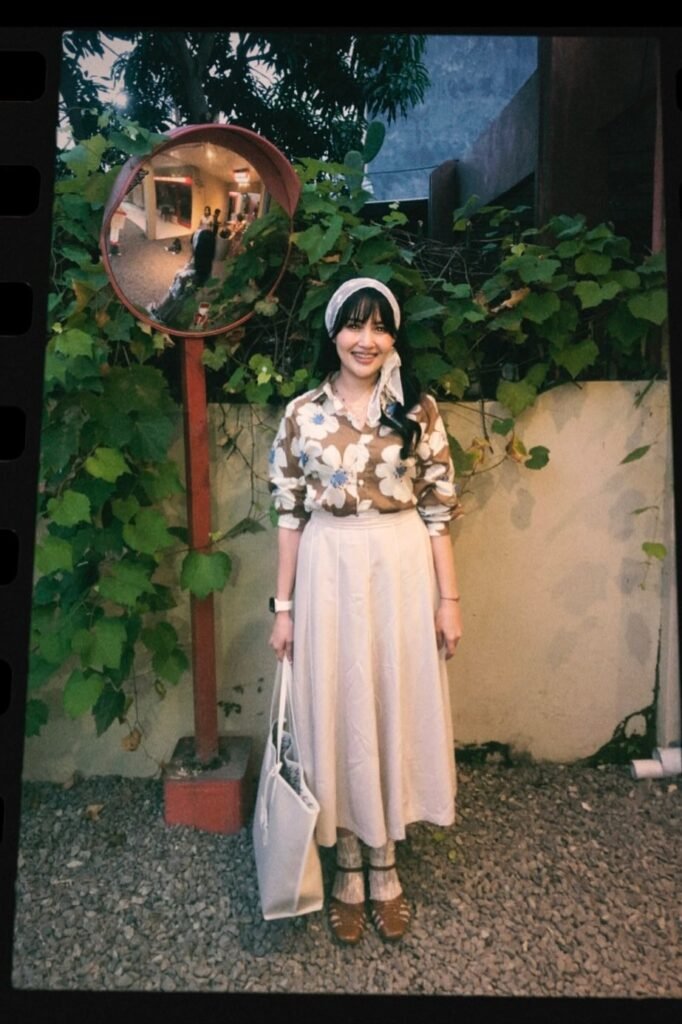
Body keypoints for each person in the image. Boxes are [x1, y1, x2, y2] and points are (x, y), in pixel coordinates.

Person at [268, 277, 463, 945]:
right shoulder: (302, 414)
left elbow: (439, 511)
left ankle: (387, 861)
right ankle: (348, 860)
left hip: (401, 568)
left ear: (393, 336)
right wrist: (284, 608)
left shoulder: (419, 411)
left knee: (390, 698)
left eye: (379, 327)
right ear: (334, 333)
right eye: (355, 325)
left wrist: (449, 602)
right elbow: (290, 513)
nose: (367, 339)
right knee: (339, 705)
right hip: (328, 568)